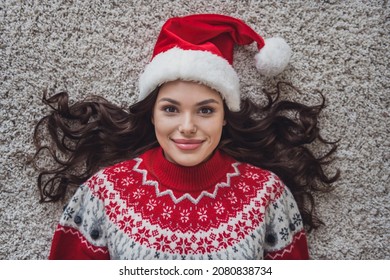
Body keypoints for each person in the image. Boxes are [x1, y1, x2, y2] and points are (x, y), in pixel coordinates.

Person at [32, 14, 339, 260]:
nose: (188, 126)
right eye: (171, 109)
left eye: (205, 111)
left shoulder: (267, 194)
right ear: (152, 115)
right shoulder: (103, 193)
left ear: (224, 117)